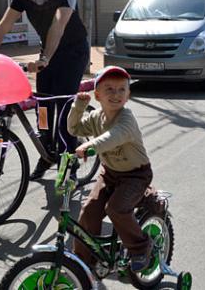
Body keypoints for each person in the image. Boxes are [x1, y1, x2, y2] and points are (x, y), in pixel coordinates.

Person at [0, 0, 89, 179]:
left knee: (63, 107)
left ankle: (68, 160)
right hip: (47, 54)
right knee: (43, 107)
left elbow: (57, 26)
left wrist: (44, 59)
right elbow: (3, 27)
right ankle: (47, 154)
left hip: (72, 54)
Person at [67, 66, 153, 272]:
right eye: (109, 89)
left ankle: (141, 248)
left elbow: (113, 137)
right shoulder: (97, 116)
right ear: (97, 95)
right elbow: (74, 128)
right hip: (110, 173)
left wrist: (90, 146)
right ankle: (83, 262)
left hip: (136, 175)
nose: (116, 94)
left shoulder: (126, 118)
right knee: (88, 211)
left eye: (121, 90)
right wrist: (78, 107)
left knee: (116, 209)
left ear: (128, 95)